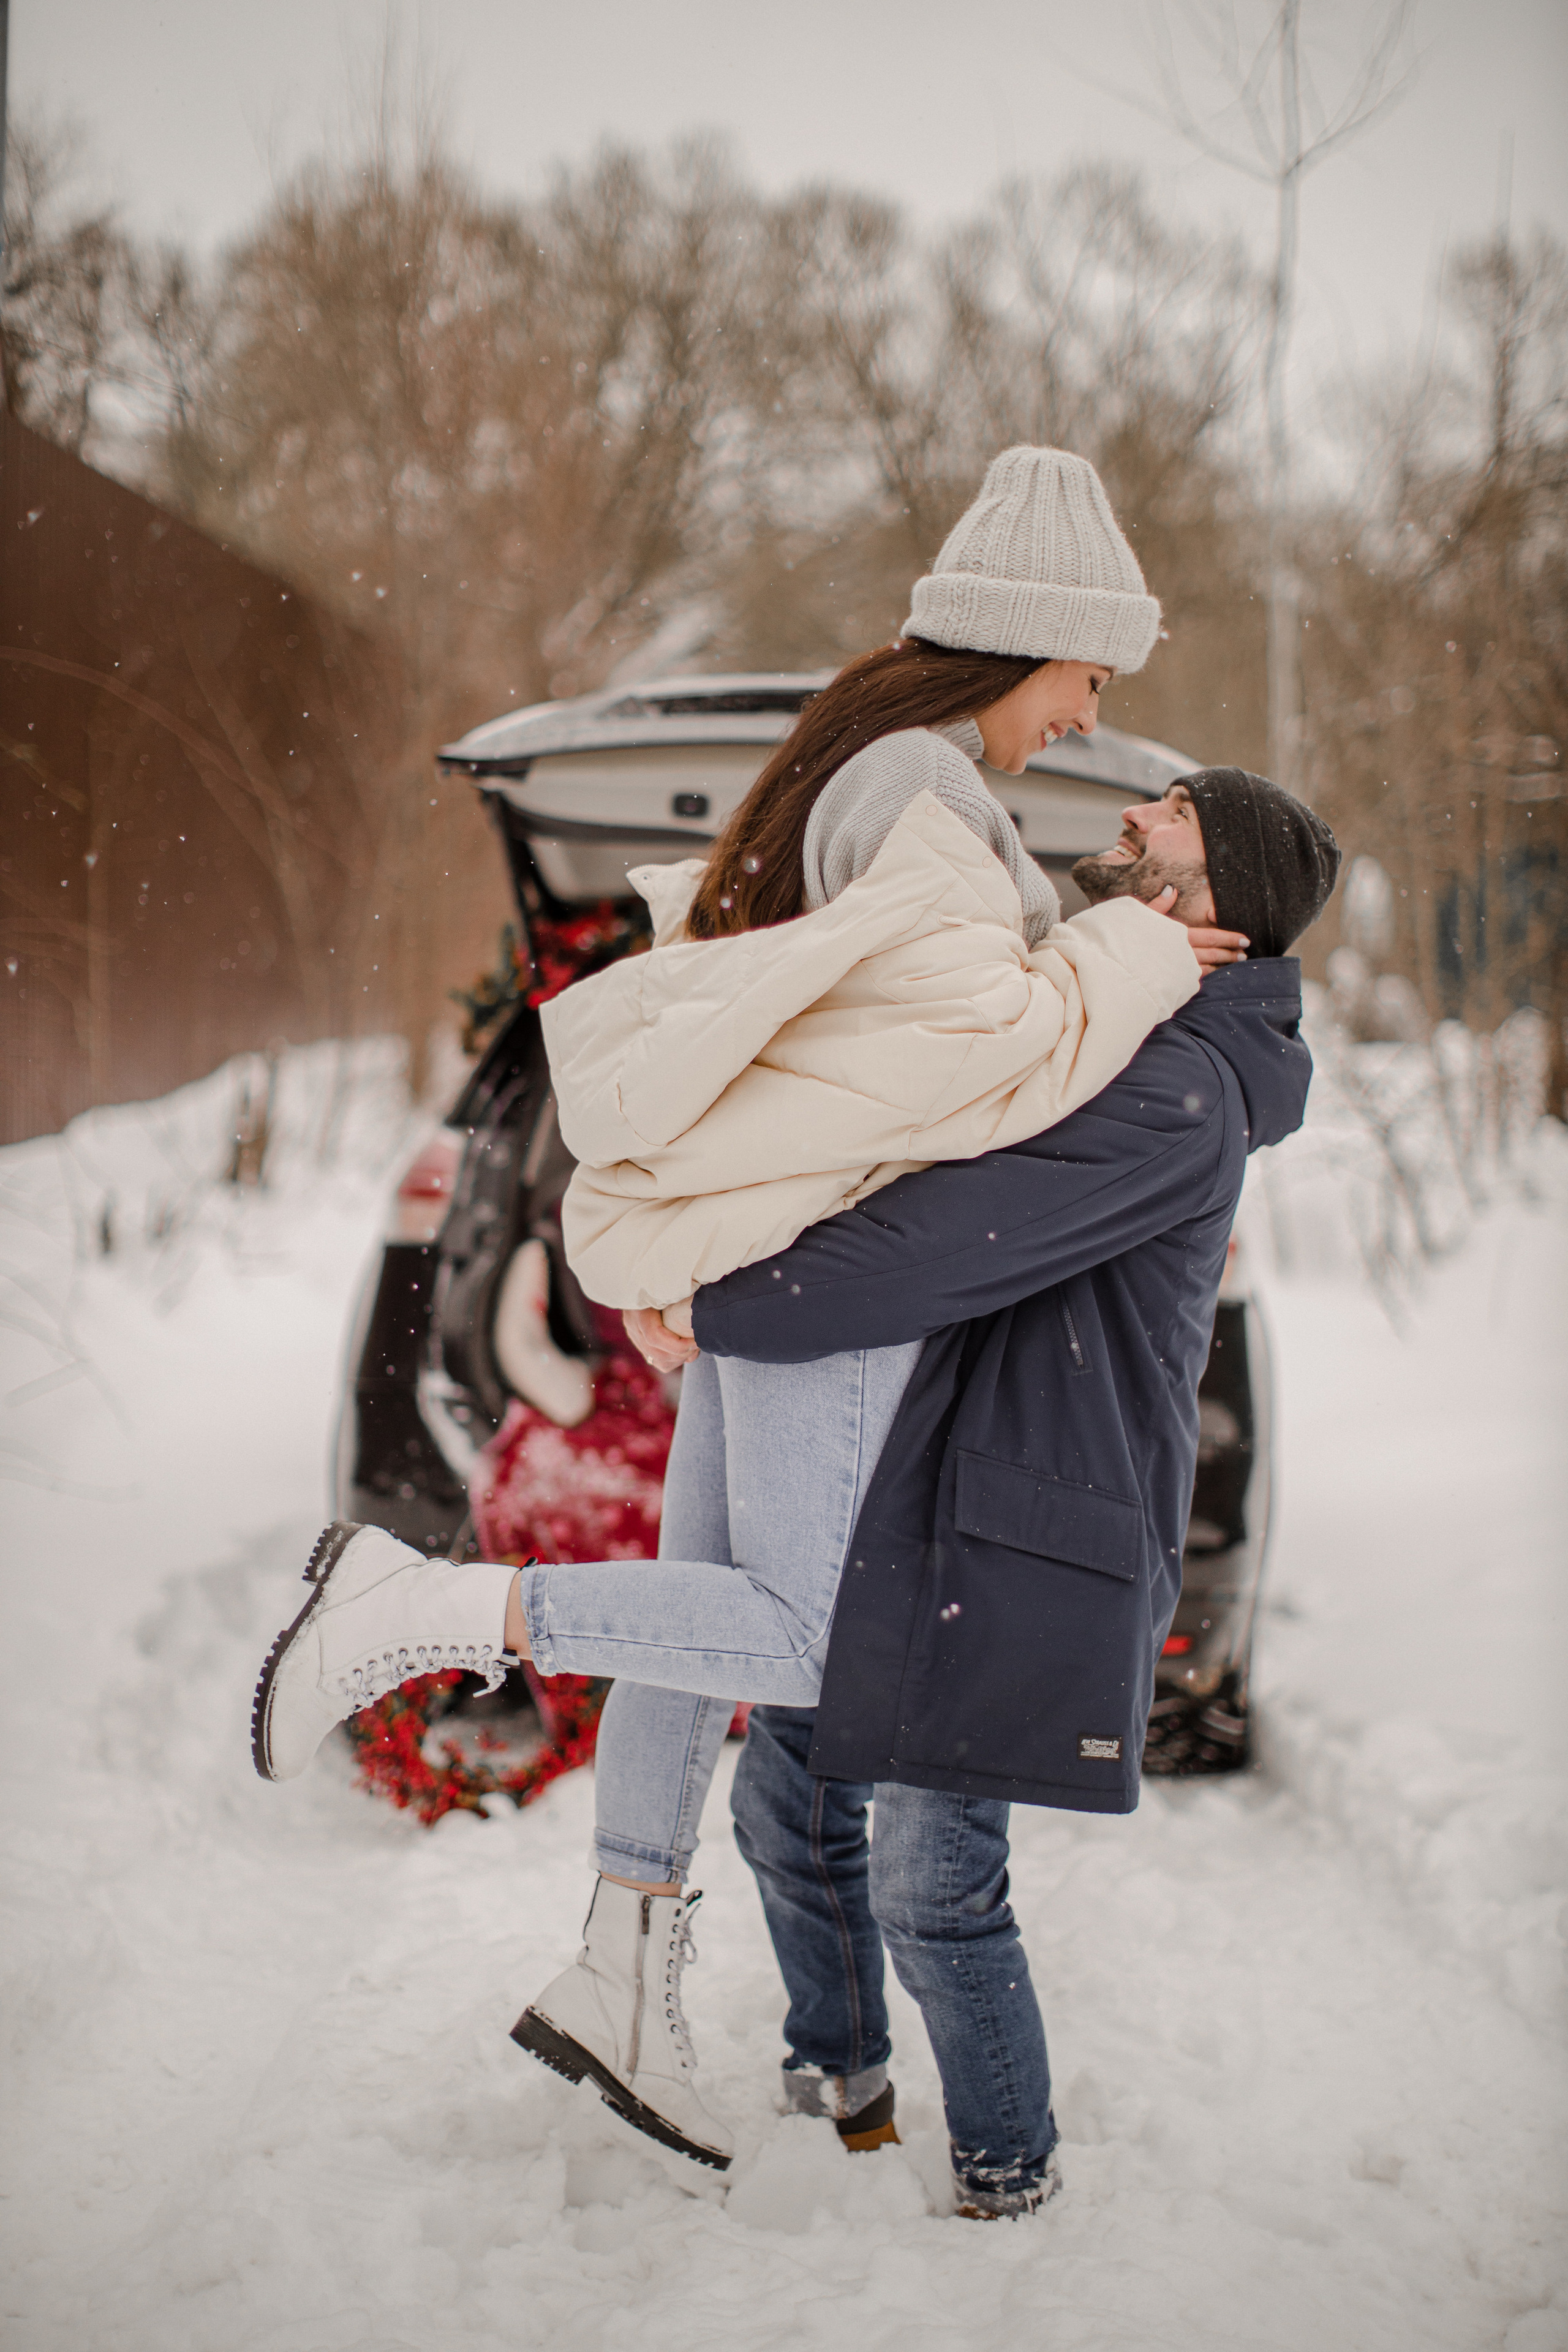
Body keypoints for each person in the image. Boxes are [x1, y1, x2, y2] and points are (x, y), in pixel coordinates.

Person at [249, 451, 1323, 2206]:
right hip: (823, 1281)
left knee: (711, 1629)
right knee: (812, 1643)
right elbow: (973, 1061)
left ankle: (626, 1959)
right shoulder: (924, 794)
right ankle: (424, 1608)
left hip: (794, 1268)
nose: (1090, 721)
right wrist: (1130, 956)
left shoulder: (885, 775)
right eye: (1086, 676)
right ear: (1022, 642)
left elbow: (931, 1053)